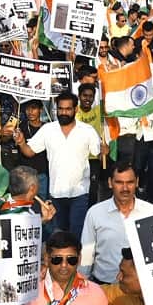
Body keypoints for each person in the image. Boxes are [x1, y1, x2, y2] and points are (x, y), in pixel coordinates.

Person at [15, 92, 106, 235]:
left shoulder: (87, 130)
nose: (63, 112)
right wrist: (21, 142)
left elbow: (99, 154)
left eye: (68, 109)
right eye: (60, 109)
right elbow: (29, 151)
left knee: (77, 234)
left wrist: (104, 152)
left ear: (75, 109)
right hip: (56, 193)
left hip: (80, 192)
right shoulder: (48, 129)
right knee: (59, 235)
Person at [80, 163, 153, 284]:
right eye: (119, 182)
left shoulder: (150, 211)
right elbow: (87, 254)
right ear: (110, 183)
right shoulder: (95, 213)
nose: (125, 188)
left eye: (130, 182)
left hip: (140, 287)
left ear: (137, 182)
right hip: (104, 286)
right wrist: (83, 284)